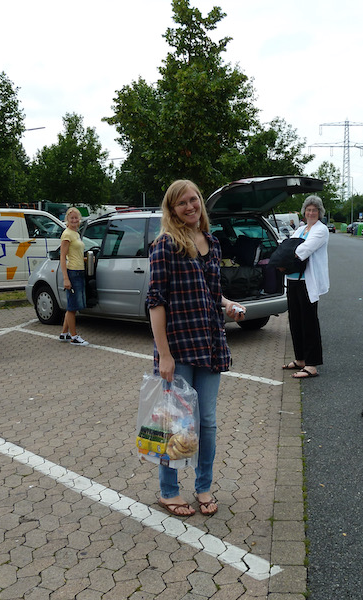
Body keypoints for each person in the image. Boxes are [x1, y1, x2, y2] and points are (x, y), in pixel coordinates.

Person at [146, 179, 246, 517]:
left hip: (210, 342)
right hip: (178, 346)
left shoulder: (213, 243)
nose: (190, 207)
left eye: (193, 200)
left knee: (206, 422)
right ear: (172, 209)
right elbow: (156, 303)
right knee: (176, 423)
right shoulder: (165, 245)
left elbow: (210, 291)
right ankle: (169, 491)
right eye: (181, 203)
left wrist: (228, 304)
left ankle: (203, 486)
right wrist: (165, 354)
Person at [281, 195, 330, 379]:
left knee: (309, 322)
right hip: (293, 280)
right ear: (304, 212)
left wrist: (285, 255)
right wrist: (286, 253)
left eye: (314, 210)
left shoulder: (321, 230)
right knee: (295, 321)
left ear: (319, 213)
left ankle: (312, 365)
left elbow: (303, 250)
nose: (311, 213)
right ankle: (300, 359)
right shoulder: (301, 229)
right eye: (308, 210)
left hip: (308, 282)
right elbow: (288, 246)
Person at [58, 207, 89, 346]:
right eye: (72, 218)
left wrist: (85, 260)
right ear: (67, 220)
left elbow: (75, 254)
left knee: (73, 306)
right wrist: (66, 278)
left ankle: (64, 333)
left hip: (79, 270)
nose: (74, 220)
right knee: (72, 306)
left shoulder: (75, 234)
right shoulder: (67, 235)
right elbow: (63, 257)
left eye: (76, 218)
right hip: (72, 272)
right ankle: (74, 336)